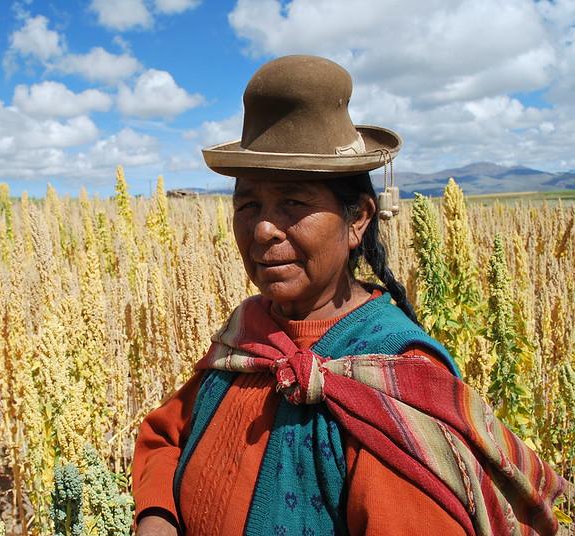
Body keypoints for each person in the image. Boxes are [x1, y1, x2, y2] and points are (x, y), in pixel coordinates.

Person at [132, 55, 569, 536]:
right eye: (248, 204)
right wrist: (157, 516)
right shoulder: (248, 334)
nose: (262, 229)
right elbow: (167, 433)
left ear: (358, 218)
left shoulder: (394, 382)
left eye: (293, 203)